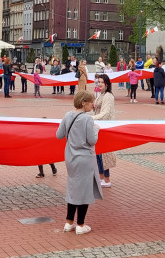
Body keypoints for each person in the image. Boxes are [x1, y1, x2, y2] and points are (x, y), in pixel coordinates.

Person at [57, 91, 103, 235]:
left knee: (73, 189)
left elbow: (59, 135)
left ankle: (69, 222)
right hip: (84, 158)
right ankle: (80, 225)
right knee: (84, 191)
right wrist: (96, 130)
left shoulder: (67, 115)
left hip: (70, 158)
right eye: (91, 102)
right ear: (83, 103)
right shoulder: (87, 119)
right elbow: (92, 140)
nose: (93, 105)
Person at [92, 75, 116, 188]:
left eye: (102, 82)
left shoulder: (108, 96)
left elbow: (105, 113)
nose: (100, 84)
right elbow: (97, 110)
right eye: (98, 82)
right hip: (99, 127)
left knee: (104, 155)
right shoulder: (101, 95)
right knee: (98, 154)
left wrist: (91, 118)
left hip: (105, 127)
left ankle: (107, 179)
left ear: (107, 84)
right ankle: (101, 177)